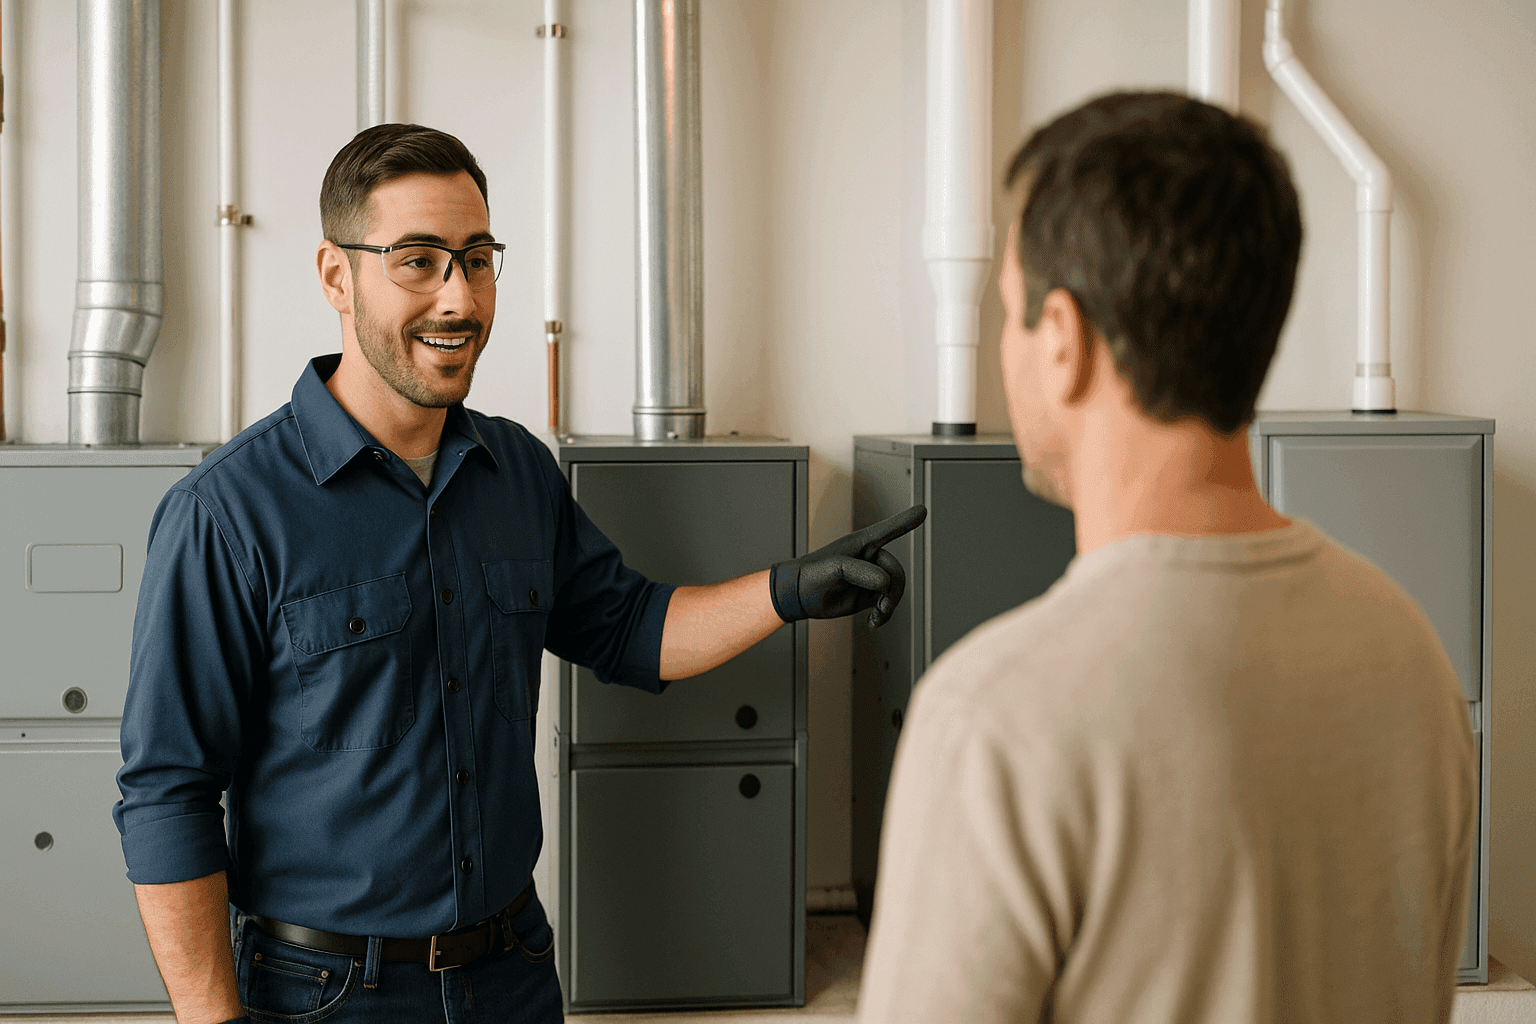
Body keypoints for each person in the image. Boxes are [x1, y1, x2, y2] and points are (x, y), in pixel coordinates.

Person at [114, 123, 924, 1024]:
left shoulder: (517, 473)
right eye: (417, 261)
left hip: (512, 975)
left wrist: (788, 590)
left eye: (478, 258)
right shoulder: (227, 513)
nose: (459, 298)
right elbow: (168, 797)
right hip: (326, 994)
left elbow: (629, 630)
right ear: (337, 276)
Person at [857, 91, 1476, 1023]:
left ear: (1063, 344)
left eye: (1013, 313)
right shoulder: (1409, 658)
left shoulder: (996, 721)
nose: (1004, 348)